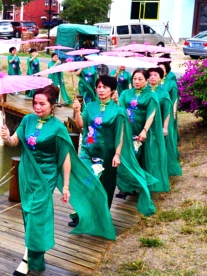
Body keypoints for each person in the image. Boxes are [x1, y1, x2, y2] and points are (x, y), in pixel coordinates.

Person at [0, 86, 115, 276]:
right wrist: (6, 137)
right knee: (28, 213)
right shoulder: (27, 120)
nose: (37, 107)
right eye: (35, 103)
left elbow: (66, 158)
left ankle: (27, 258)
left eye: (42, 104)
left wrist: (66, 185)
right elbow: (14, 142)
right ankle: (37, 255)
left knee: (36, 213)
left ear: (52, 106)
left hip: (46, 176)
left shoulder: (58, 128)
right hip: (26, 174)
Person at [72, 76, 157, 218]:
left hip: (107, 153)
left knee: (107, 185)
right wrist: (77, 111)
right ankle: (82, 214)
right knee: (86, 179)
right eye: (99, 87)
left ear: (112, 90)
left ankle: (101, 214)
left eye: (105, 87)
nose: (101, 90)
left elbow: (120, 135)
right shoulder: (91, 106)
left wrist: (117, 154)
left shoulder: (118, 111)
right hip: (88, 149)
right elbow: (80, 125)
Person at [117, 69, 170, 193]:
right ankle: (127, 186)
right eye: (134, 78)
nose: (136, 81)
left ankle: (143, 184)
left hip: (142, 130)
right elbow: (120, 109)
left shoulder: (151, 95)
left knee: (141, 156)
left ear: (146, 80)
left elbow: (151, 114)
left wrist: (145, 130)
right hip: (127, 129)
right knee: (127, 156)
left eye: (140, 79)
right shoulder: (125, 93)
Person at [147, 68, 182, 178]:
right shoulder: (144, 91)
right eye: (150, 75)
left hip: (159, 123)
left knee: (157, 149)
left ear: (160, 78)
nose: (152, 77)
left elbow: (167, 111)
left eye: (155, 75)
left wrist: (165, 127)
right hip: (145, 125)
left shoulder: (163, 93)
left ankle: (161, 172)